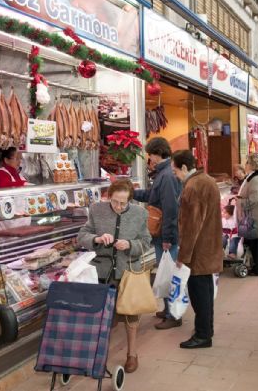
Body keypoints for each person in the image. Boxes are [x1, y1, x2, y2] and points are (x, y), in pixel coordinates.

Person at [77, 179, 151, 373]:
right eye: (115, 201)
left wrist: (130, 245)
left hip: (128, 271)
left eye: (123, 203)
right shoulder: (96, 210)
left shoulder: (140, 213)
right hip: (102, 272)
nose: (118, 206)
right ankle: (101, 355)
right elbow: (82, 235)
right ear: (108, 196)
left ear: (130, 201)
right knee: (104, 318)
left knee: (131, 315)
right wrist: (97, 239)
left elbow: (146, 241)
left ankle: (132, 354)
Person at [172, 150, 223, 349]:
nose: (175, 175)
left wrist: (183, 255)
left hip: (198, 252)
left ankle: (203, 335)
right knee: (206, 293)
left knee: (199, 295)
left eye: (175, 170)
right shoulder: (206, 180)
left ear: (184, 167)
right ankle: (205, 330)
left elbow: (190, 226)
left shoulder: (193, 186)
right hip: (208, 246)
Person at [133, 137, 182, 330]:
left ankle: (174, 315)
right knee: (165, 273)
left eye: (150, 154)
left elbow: (170, 209)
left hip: (165, 234)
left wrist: (168, 238)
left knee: (169, 274)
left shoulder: (167, 175)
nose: (149, 159)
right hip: (162, 233)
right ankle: (168, 309)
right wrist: (132, 193)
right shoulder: (164, 173)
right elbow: (152, 196)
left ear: (156, 153)